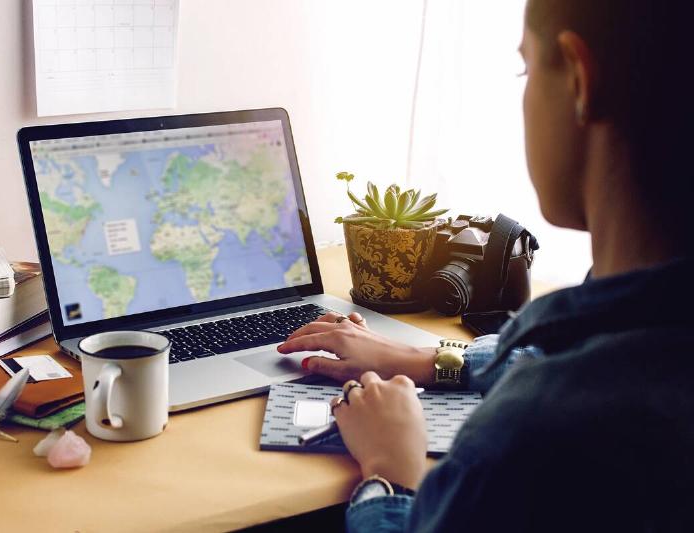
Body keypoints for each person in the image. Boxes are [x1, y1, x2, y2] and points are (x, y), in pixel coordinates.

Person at [277, 0, 694, 530]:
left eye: (526, 67)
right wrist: (427, 359)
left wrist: (389, 473)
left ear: (579, 80)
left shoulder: (534, 435)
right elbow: (545, 350)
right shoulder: (639, 325)